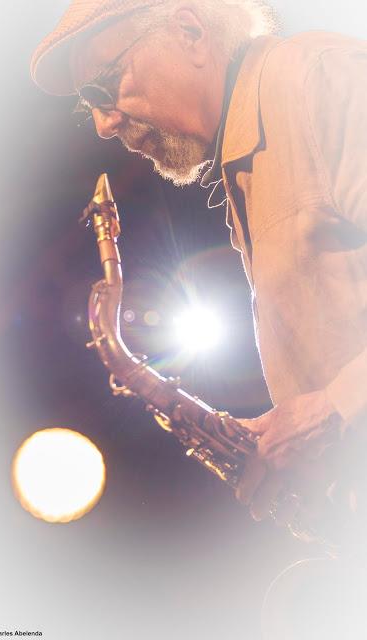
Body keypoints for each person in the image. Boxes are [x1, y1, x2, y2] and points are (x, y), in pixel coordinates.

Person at [31, 1, 367, 634]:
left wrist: (334, 409)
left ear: (189, 31)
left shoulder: (318, 78)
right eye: (89, 105)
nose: (103, 124)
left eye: (107, 86)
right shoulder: (247, 162)